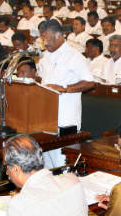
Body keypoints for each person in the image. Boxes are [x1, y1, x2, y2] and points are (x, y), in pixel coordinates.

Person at [37, 20, 94, 164]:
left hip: (65, 120)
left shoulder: (74, 56)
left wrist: (65, 88)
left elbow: (89, 82)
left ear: (58, 36)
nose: (45, 43)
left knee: (62, 165)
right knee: (46, 165)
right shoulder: (45, 57)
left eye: (47, 39)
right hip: (46, 118)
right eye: (43, 39)